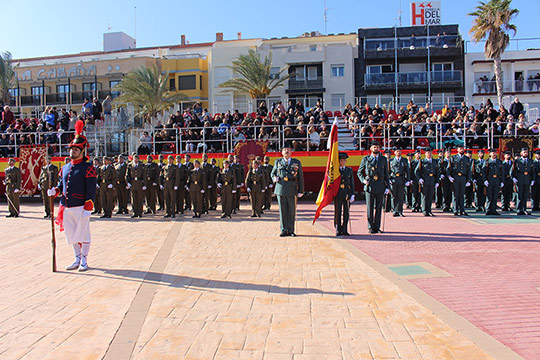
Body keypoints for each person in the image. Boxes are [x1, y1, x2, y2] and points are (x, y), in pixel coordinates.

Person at [47, 120, 97, 271]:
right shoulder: (65, 167)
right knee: (72, 235)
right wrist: (54, 191)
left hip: (81, 206)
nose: (72, 152)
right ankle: (77, 258)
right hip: (67, 206)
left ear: (82, 151)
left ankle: (84, 260)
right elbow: (62, 185)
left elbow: (91, 189)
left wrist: (89, 205)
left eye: (76, 150)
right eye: (71, 149)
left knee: (84, 234)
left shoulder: (88, 168)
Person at [271, 146, 304, 237]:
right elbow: (272, 173)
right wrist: (274, 178)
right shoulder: (277, 162)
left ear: (291, 152)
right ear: (282, 152)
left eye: (288, 150)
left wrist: (301, 190)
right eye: (285, 149)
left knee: (291, 211)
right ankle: (283, 229)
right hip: (280, 189)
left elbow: (300, 177)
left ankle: (291, 230)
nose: (286, 151)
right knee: (282, 211)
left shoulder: (296, 162)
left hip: (292, 188)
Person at [357, 141, 390, 234]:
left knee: (379, 207)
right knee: (370, 207)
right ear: (371, 148)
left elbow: (386, 174)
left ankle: (377, 227)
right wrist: (363, 180)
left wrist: (388, 186)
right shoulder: (366, 159)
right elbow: (359, 172)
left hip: (380, 184)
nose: (376, 148)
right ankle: (370, 226)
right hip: (370, 185)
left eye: (377, 147)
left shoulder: (383, 159)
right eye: (374, 147)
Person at [447, 145, 472, 216]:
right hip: (456, 177)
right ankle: (455, 210)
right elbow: (449, 168)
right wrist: (449, 176)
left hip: (463, 177)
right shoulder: (453, 158)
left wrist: (469, 180)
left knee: (462, 194)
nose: (461, 149)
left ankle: (462, 210)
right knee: (455, 194)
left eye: (462, 148)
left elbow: (469, 170)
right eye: (460, 148)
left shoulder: (466, 158)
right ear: (457, 150)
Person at [334, 153, 355, 236]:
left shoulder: (349, 170)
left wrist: (352, 194)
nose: (343, 162)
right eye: (341, 160)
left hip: (346, 193)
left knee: (346, 212)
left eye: (344, 160)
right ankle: (338, 228)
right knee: (337, 212)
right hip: (338, 193)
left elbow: (352, 183)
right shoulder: (335, 170)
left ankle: (345, 229)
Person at [415, 147, 440, 216]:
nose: (429, 154)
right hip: (425, 180)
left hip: (432, 180)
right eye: (428, 153)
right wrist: (419, 179)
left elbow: (437, 172)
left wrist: (437, 181)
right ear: (425, 154)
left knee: (430, 196)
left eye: (430, 153)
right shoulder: (422, 161)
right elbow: (416, 171)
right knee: (424, 196)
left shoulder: (435, 161)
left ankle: (429, 210)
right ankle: (424, 210)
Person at [511, 147, 534, 215]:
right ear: (521, 153)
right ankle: (519, 209)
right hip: (519, 180)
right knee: (519, 196)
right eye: (524, 152)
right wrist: (514, 178)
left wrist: (532, 180)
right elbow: (512, 171)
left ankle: (524, 209)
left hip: (527, 180)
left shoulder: (530, 161)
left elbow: (533, 172)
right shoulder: (517, 161)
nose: (525, 153)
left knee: (525, 196)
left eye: (526, 152)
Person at [389, 148, 410, 217]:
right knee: (394, 196)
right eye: (397, 151)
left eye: (400, 151)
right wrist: (388, 179)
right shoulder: (391, 161)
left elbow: (407, 171)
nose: (398, 152)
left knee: (400, 196)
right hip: (394, 179)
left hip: (401, 179)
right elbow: (388, 171)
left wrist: (408, 180)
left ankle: (400, 211)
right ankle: (395, 211)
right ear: (394, 152)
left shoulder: (404, 160)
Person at [484, 149, 504, 215]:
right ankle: (488, 209)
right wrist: (485, 180)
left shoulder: (499, 162)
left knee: (495, 196)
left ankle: (494, 209)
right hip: (490, 180)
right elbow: (483, 172)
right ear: (490, 154)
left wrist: (502, 181)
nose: (494, 154)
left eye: (495, 153)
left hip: (497, 180)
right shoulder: (487, 162)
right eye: (493, 153)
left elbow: (502, 172)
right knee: (489, 196)